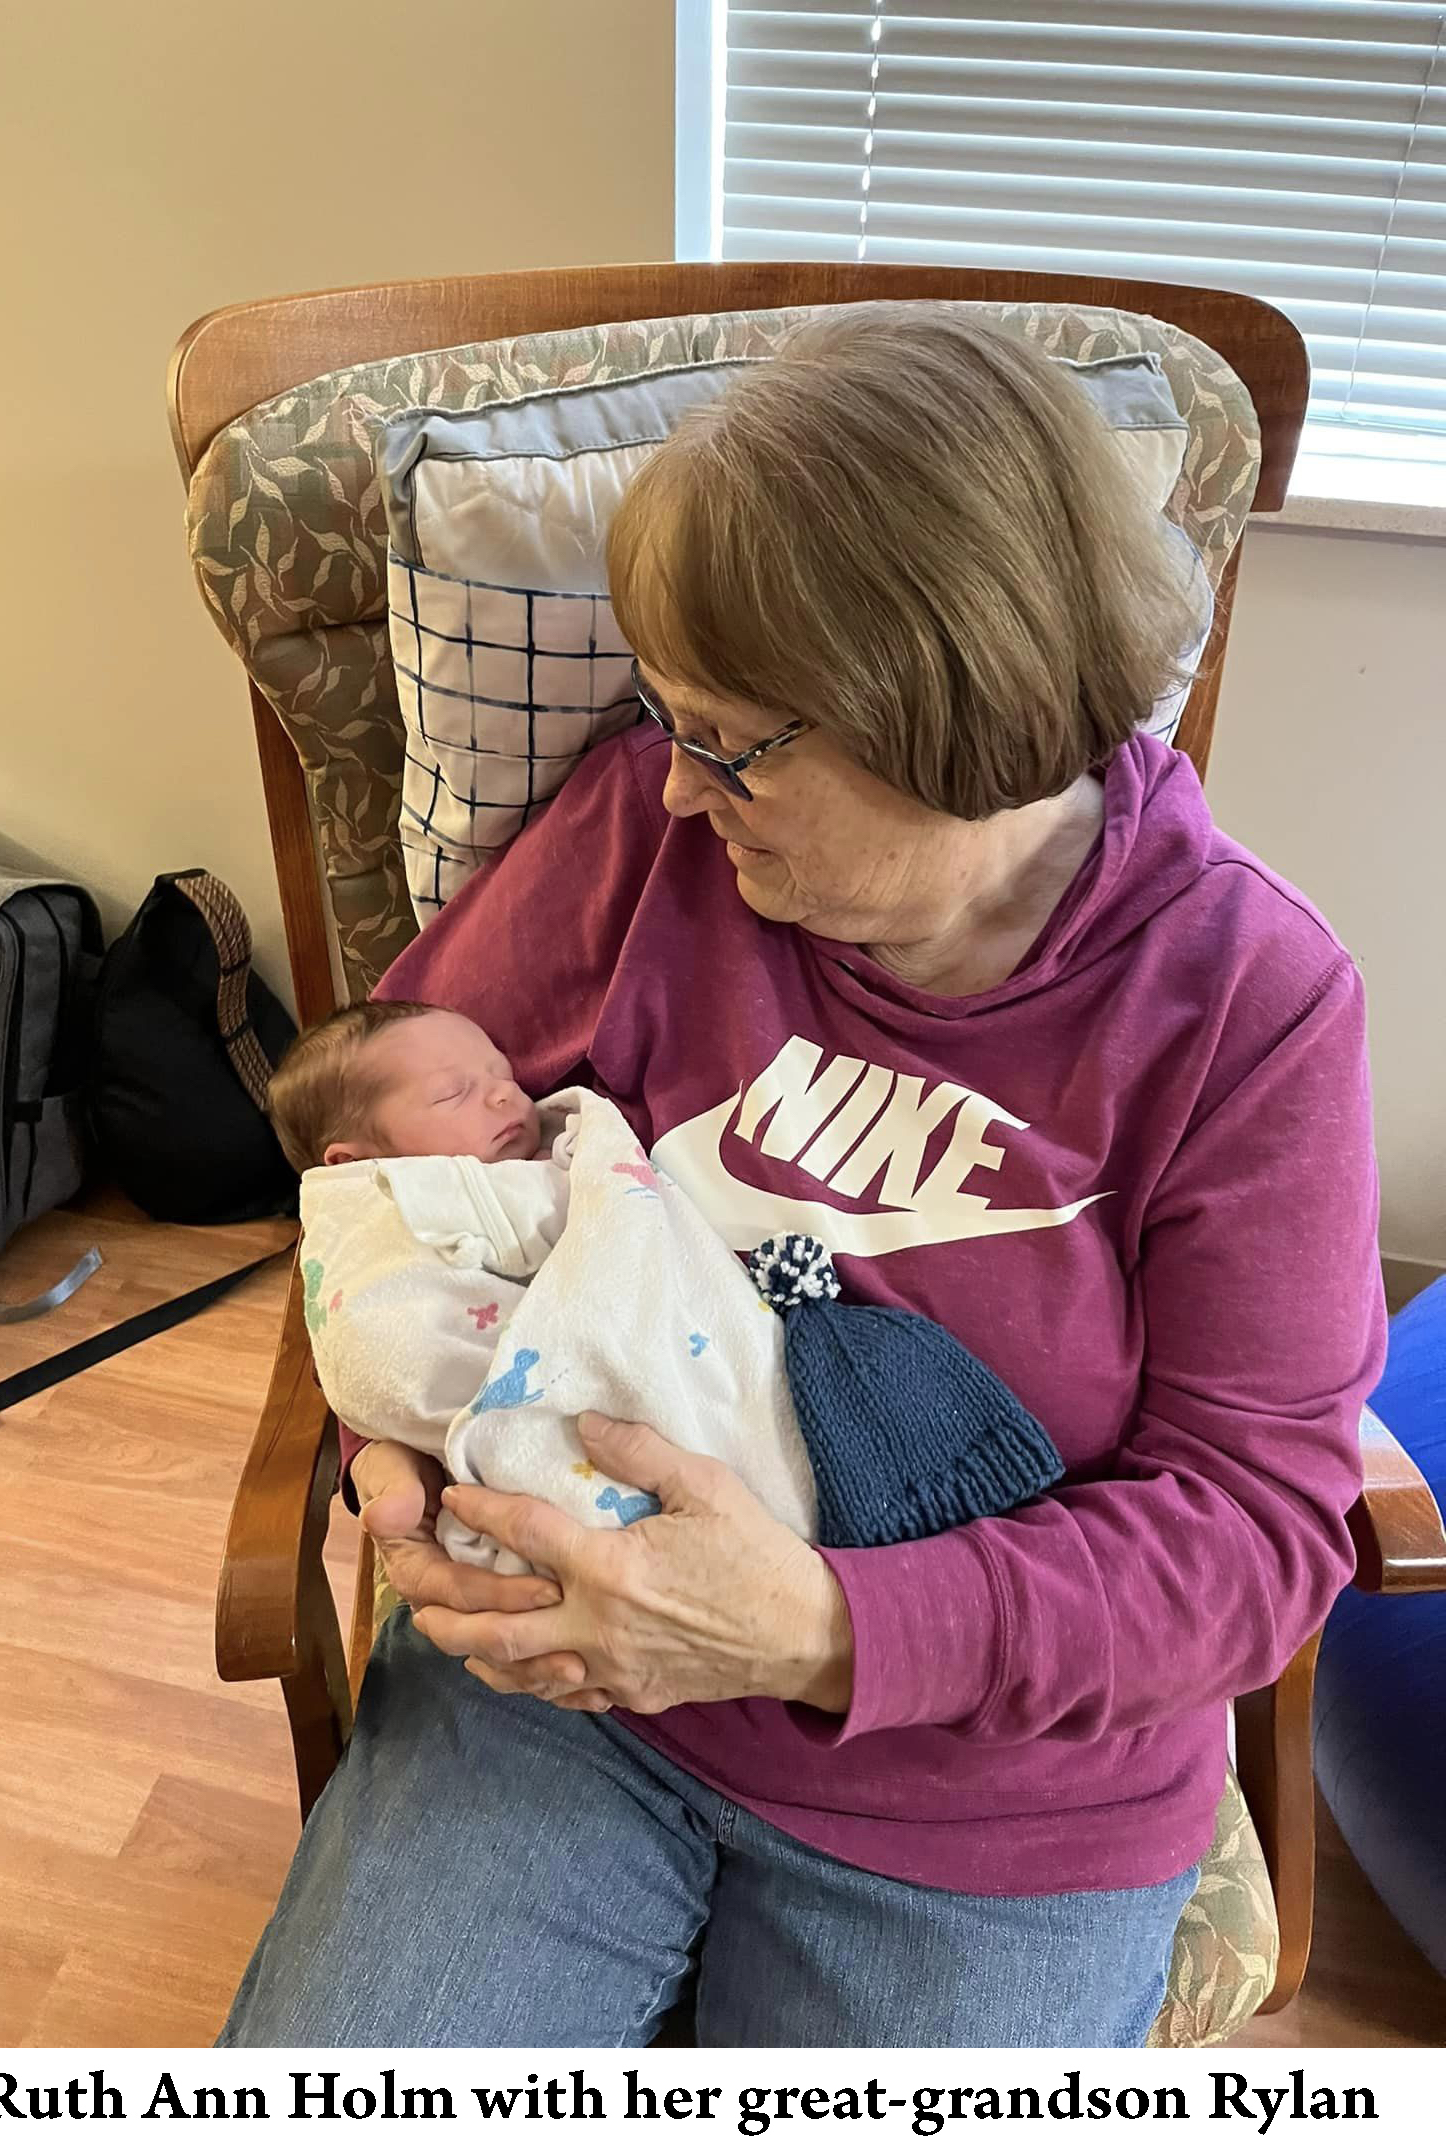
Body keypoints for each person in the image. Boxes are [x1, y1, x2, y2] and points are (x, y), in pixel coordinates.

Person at [219, 308, 1385, 2048]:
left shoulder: (1244, 1006)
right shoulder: (641, 831)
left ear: (948, 709)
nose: (677, 791)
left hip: (995, 1808)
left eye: (733, 741)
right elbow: (391, 1141)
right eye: (667, 720)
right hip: (561, 1695)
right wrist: (401, 1411)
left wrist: (824, 1628)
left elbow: (1254, 1543)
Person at [269, 999, 1059, 1573]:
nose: (508, 1095)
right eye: (454, 1095)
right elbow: (381, 1342)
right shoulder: (427, 1199)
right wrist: (378, 1448)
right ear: (356, 1165)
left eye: (501, 1074)